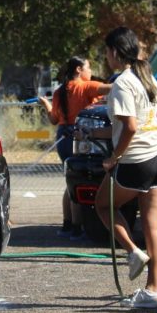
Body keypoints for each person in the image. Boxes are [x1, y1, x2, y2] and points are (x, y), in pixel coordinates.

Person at [93, 27, 157, 310]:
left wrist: (113, 157)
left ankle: (133, 251)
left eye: (107, 51)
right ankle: (154, 290)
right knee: (154, 225)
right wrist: (95, 135)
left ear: (115, 52)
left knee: (103, 205)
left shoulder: (122, 83)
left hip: (139, 159)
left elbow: (130, 127)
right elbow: (138, 122)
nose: (106, 57)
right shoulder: (148, 77)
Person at [36, 57, 111, 238]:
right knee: (79, 182)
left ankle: (67, 224)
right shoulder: (86, 86)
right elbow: (116, 88)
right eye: (88, 67)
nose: (90, 71)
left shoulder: (59, 91)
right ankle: (77, 228)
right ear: (79, 69)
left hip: (62, 137)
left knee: (70, 182)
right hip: (79, 137)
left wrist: (46, 104)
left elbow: (54, 120)